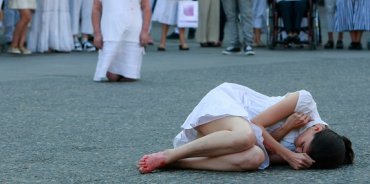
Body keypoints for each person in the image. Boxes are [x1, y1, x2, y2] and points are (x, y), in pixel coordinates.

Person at [138, 82, 354, 173]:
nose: (297, 151)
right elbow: (257, 124)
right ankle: (169, 155)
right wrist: (288, 153)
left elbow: (266, 152)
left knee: (255, 158)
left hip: (230, 136)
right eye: (302, 147)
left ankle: (180, 162)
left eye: (300, 153)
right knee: (246, 136)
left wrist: (286, 133)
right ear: (316, 129)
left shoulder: (305, 151)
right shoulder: (304, 102)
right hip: (228, 105)